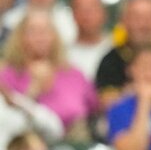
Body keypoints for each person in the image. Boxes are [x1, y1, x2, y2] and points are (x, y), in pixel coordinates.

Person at [0, 8, 98, 140]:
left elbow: (94, 108)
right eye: (33, 31)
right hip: (25, 141)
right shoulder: (7, 74)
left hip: (74, 141)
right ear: (20, 37)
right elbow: (8, 119)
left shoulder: (73, 73)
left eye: (45, 31)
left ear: (54, 36)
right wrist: (34, 88)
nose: (40, 37)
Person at [67, 0, 113, 81]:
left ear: (104, 13)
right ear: (73, 14)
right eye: (81, 8)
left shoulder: (116, 51)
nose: (86, 14)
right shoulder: (62, 54)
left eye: (92, 7)